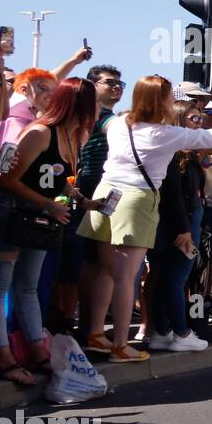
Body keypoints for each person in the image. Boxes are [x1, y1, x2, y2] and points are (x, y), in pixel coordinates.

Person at [77, 77, 212, 361]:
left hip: (105, 192)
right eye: (169, 97)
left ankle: (95, 334)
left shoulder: (118, 123)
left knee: (106, 270)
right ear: (162, 101)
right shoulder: (164, 133)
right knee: (125, 276)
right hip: (136, 199)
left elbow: (102, 119)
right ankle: (120, 344)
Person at [0, 78, 97, 385]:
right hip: (13, 217)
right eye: (90, 104)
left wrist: (81, 200)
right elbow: (7, 181)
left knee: (27, 286)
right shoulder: (41, 133)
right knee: (2, 286)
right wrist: (50, 205)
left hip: (40, 222)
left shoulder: (74, 137)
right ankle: (5, 359)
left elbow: (57, 179)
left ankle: (37, 353)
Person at [53, 64, 126, 339]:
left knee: (94, 263)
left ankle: (87, 329)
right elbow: (114, 128)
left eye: (121, 83)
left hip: (98, 198)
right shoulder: (103, 119)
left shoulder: (110, 117)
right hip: (83, 193)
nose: (117, 87)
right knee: (78, 262)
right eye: (110, 82)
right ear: (92, 85)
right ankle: (67, 327)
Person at [145, 98, 211, 352]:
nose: (198, 124)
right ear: (177, 121)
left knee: (166, 278)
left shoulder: (184, 155)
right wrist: (184, 230)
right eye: (193, 119)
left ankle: (162, 330)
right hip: (180, 223)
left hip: (179, 221)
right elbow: (174, 197)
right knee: (175, 279)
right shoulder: (175, 156)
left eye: (200, 119)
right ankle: (182, 332)